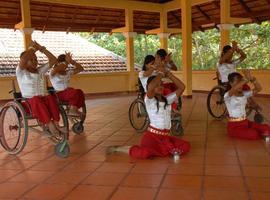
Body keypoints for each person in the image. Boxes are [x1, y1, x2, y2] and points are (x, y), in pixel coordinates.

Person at [107, 70, 190, 159]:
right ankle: (119, 148)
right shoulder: (149, 100)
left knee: (186, 146)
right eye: (157, 85)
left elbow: (182, 87)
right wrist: (161, 74)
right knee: (145, 153)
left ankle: (158, 151)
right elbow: (151, 87)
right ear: (150, 88)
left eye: (161, 84)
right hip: (152, 137)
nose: (160, 87)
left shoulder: (167, 100)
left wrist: (170, 75)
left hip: (165, 137)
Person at [16, 41, 61, 134]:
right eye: (31, 59)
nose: (34, 61)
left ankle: (56, 124)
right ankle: (49, 125)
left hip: (43, 100)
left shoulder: (40, 70)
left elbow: (53, 60)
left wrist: (42, 49)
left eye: (35, 59)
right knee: (37, 99)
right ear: (24, 62)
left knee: (50, 97)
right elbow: (24, 58)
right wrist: (33, 49)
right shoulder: (21, 72)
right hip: (30, 103)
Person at [225, 70, 270, 140]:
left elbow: (259, 89)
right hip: (234, 126)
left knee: (266, 127)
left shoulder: (244, 94)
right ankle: (264, 133)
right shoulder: (228, 95)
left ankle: (264, 132)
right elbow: (235, 88)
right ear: (231, 83)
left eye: (241, 82)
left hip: (245, 122)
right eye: (238, 82)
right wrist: (246, 79)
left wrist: (252, 79)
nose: (241, 84)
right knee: (253, 134)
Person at [49, 52, 85, 117]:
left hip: (68, 92)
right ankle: (72, 110)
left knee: (80, 92)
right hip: (59, 94)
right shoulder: (53, 73)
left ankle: (74, 109)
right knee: (75, 92)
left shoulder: (68, 72)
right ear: (58, 64)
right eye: (63, 64)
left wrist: (72, 62)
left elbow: (81, 68)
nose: (65, 66)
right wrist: (66, 62)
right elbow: (59, 67)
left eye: (66, 64)